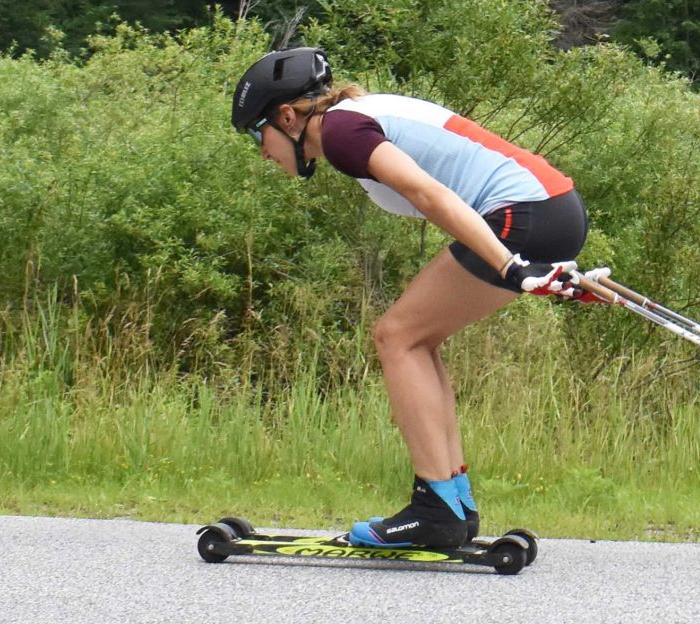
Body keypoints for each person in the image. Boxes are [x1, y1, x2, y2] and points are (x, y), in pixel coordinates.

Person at [231, 45, 590, 549]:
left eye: (257, 134)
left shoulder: (339, 132)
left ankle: (436, 508)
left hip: (523, 212)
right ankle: (454, 501)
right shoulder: (353, 121)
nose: (262, 151)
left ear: (287, 116)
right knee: (416, 340)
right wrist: (520, 260)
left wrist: (508, 262)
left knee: (396, 336)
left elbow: (429, 194)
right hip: (548, 208)